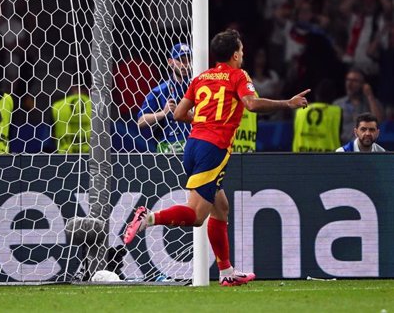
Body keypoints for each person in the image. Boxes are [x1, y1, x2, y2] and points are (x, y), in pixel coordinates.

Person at [123, 29, 310, 286]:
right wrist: (287, 103)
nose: (243, 55)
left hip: (192, 146)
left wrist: (202, 118)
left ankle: (226, 272)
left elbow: (178, 114)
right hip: (214, 148)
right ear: (235, 54)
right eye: (242, 51)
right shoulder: (238, 76)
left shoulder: (201, 78)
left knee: (220, 208)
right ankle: (148, 218)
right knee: (197, 216)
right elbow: (252, 105)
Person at [136, 43, 191, 153]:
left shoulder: (198, 87)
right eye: (181, 60)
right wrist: (163, 113)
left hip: (192, 144)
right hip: (168, 147)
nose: (185, 64)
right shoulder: (159, 91)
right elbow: (141, 122)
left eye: (188, 60)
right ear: (170, 62)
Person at [333, 68, 385, 144]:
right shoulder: (337, 104)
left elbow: (379, 121)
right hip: (343, 149)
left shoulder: (371, 102)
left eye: (354, 81)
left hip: (365, 149)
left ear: (363, 84)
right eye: (348, 80)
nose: (349, 84)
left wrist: (370, 96)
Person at [292, 79, 342, 152]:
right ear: (333, 96)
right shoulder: (336, 112)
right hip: (329, 159)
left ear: (316, 95)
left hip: (300, 157)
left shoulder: (300, 111)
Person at [51, 84, 91, 154]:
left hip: (63, 157)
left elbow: (52, 133)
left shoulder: (58, 106)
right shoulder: (96, 106)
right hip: (91, 157)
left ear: (72, 87)